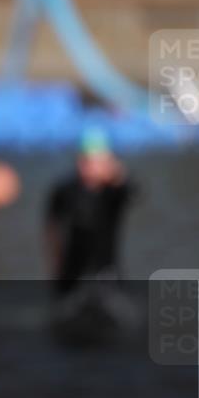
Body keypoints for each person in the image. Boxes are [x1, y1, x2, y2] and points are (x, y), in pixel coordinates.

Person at [44, 128, 138, 344]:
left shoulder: (114, 191)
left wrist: (117, 174)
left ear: (107, 162)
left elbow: (136, 192)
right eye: (85, 160)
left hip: (107, 270)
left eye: (96, 161)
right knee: (62, 324)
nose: (90, 166)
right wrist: (55, 263)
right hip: (72, 269)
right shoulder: (65, 190)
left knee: (119, 326)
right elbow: (52, 228)